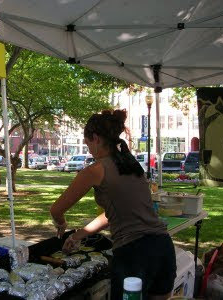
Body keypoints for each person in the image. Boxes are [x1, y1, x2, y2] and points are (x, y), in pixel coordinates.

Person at [50, 109, 176, 300]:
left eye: (88, 144)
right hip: (163, 248)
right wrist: (79, 235)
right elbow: (113, 214)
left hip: (134, 255)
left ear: (96, 138)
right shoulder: (131, 164)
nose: (89, 150)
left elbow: (56, 209)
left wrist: (61, 223)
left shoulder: (95, 170)